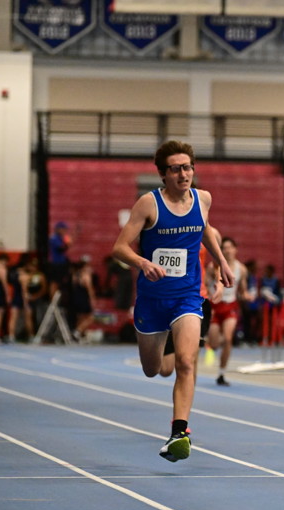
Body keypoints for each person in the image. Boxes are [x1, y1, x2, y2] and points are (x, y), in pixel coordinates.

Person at [112, 140, 232, 463]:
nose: (183, 174)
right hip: (152, 301)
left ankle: (180, 433)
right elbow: (119, 248)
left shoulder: (203, 199)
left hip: (187, 297)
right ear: (163, 174)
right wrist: (143, 263)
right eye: (176, 169)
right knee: (154, 370)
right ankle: (164, 342)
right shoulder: (148, 204)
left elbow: (205, 229)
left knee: (187, 363)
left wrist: (221, 261)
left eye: (187, 167)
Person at [207, 236, 247, 386]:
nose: (228, 250)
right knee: (214, 344)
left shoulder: (241, 269)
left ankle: (222, 373)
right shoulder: (213, 266)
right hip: (215, 306)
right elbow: (205, 284)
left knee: (228, 338)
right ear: (221, 250)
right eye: (225, 248)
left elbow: (242, 290)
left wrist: (246, 295)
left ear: (235, 250)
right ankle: (213, 343)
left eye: (230, 247)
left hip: (230, 306)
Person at [47, 221, 72, 299]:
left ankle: (56, 299)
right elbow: (61, 248)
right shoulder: (54, 238)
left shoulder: (60, 238)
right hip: (56, 264)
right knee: (54, 282)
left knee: (59, 282)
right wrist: (67, 244)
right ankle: (53, 300)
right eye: (64, 229)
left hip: (61, 263)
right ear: (58, 229)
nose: (65, 231)